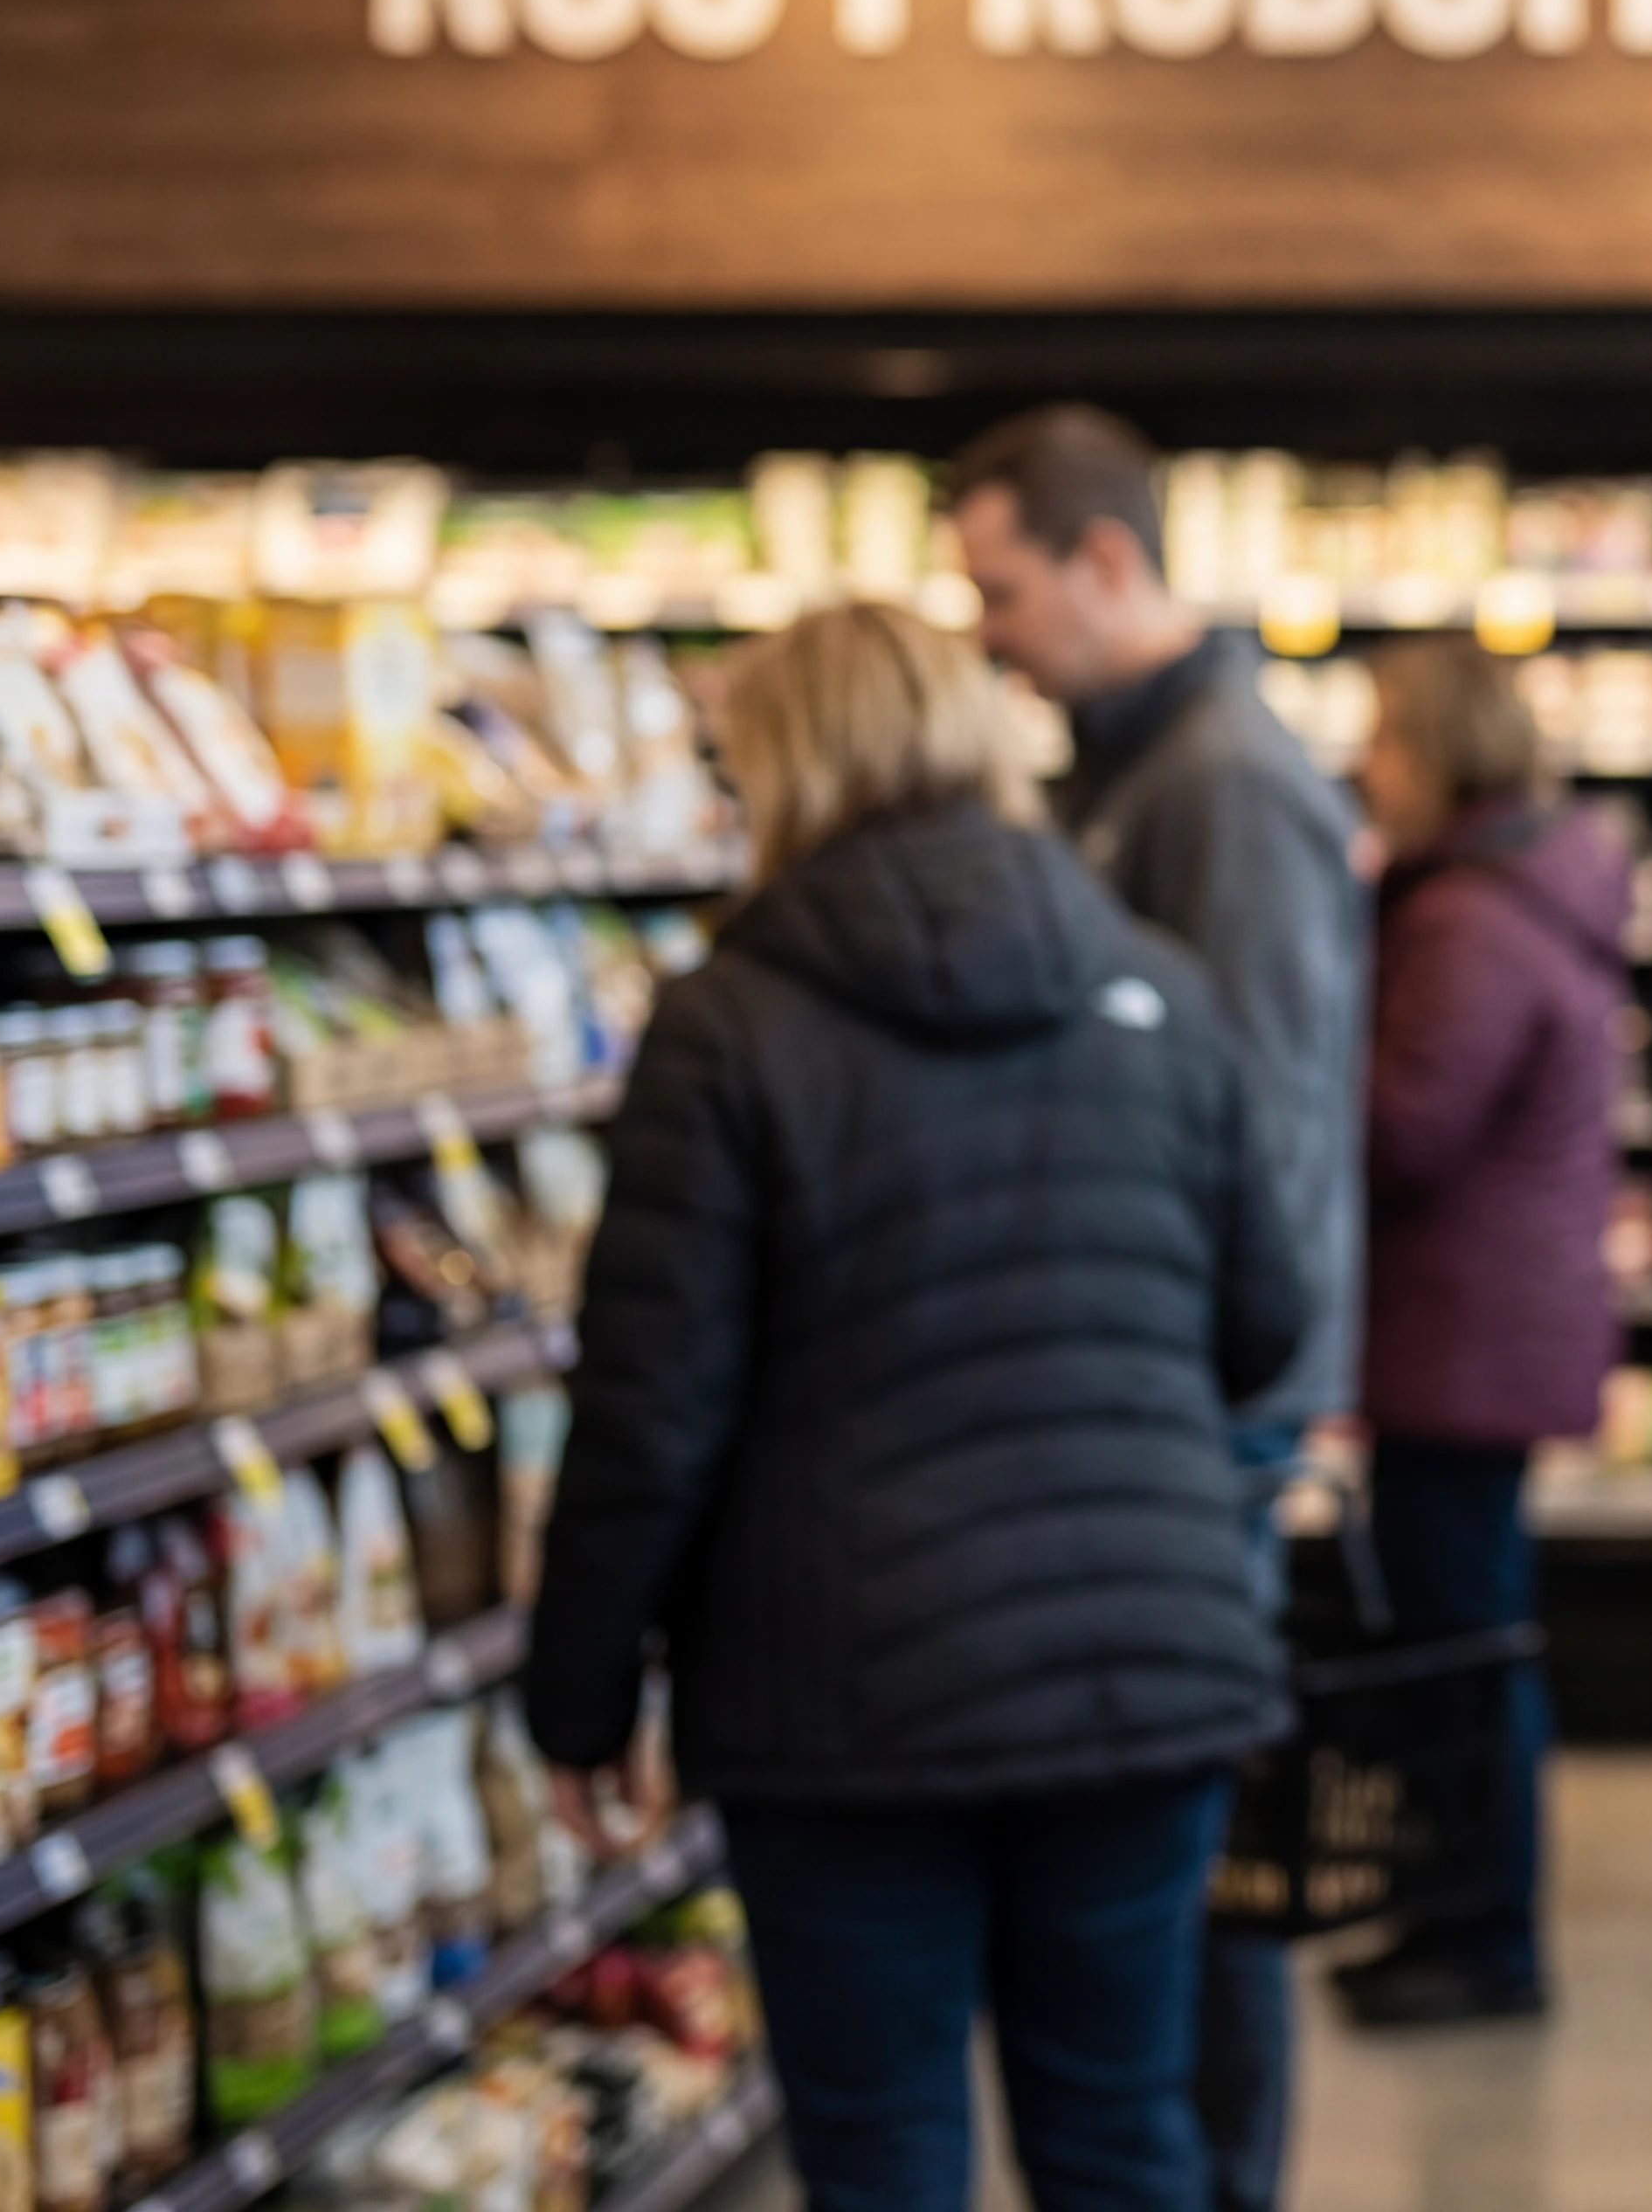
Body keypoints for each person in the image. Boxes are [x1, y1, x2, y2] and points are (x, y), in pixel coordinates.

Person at [523, 602, 1310, 2212]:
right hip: (1138, 1672)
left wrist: (579, 1702)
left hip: (846, 1700)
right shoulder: (1154, 991)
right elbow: (1265, 1327)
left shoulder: (728, 1026)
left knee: (883, 2154)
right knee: (1121, 2135)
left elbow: (648, 1411)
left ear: (784, 764)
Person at [948, 402, 1365, 2212]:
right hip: (1162, 1397)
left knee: (1202, 1873)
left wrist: (1246, 1395)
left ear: (1106, 562)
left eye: (1001, 586)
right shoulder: (1128, 767)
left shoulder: (1217, 783)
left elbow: (1266, 1123)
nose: (985, 631)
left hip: (1202, 1405)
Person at [1332, 639, 1635, 2025]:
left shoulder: (1466, 917)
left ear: (1440, 748)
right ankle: (1454, 1916)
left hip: (1457, 1332)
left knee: (1458, 1648)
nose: (1366, 766)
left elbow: (1408, 1128)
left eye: (1386, 739)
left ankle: (1480, 1938)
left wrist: (1299, 1089)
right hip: (1491, 1321)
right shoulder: (1528, 884)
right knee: (1470, 1636)